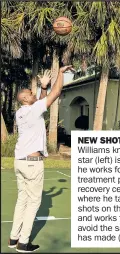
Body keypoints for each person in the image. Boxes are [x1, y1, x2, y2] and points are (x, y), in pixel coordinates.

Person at [8, 65, 74, 253]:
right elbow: (57, 92)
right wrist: (60, 74)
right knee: (33, 203)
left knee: (22, 200)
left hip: (19, 162)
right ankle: (23, 242)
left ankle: (13, 238)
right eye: (31, 92)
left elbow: (41, 102)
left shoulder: (21, 112)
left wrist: (42, 88)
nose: (33, 92)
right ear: (25, 98)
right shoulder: (33, 108)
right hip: (31, 164)